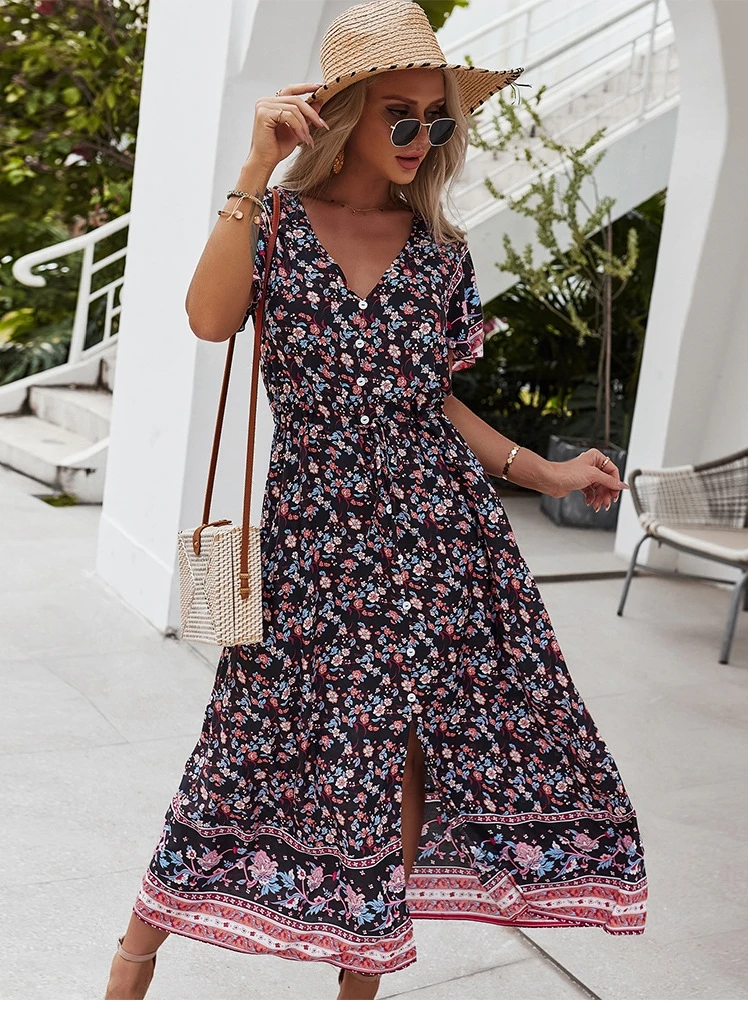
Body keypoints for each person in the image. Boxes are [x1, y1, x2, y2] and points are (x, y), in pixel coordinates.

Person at [104, 0, 647, 1002]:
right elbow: (208, 320)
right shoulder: (271, 223)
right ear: (344, 111)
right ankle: (132, 960)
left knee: (405, 755)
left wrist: (547, 471)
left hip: (439, 540)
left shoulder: (439, 251)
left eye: (436, 119)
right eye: (399, 113)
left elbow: (433, 401)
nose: (420, 137)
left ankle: (360, 985)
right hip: (311, 538)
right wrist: (252, 166)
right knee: (246, 741)